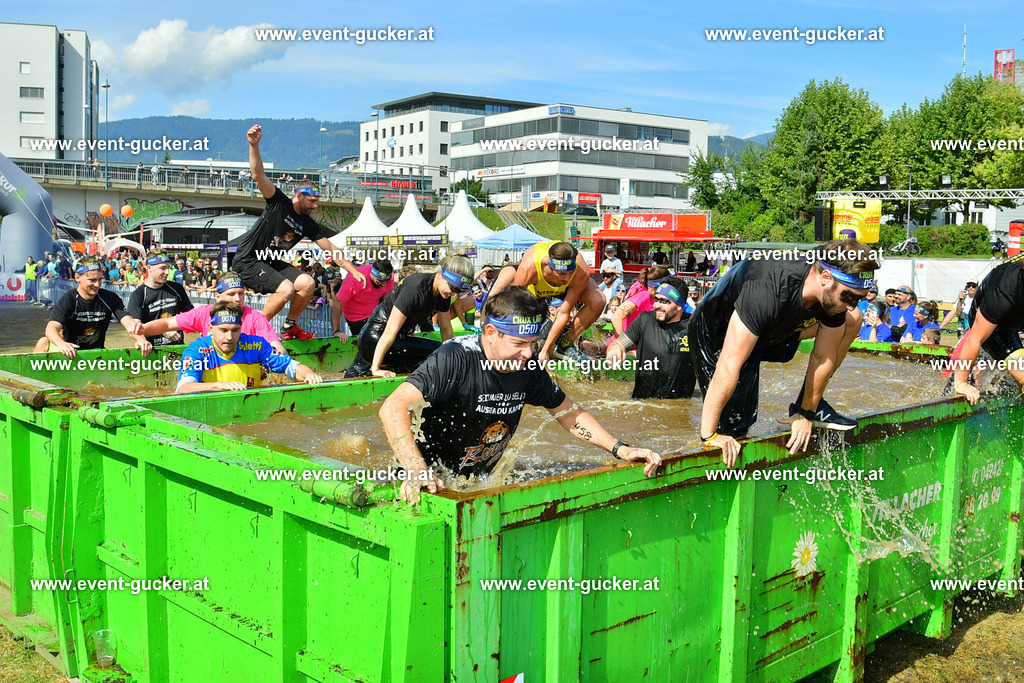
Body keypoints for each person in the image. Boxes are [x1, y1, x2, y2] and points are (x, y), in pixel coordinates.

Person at [378, 286, 662, 505]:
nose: (528, 353)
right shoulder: (455, 357)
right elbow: (392, 407)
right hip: (428, 481)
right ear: (491, 332)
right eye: (518, 343)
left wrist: (621, 449)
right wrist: (416, 468)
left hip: (480, 481)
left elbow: (570, 414)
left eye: (533, 343)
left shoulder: (527, 367)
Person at [690, 239, 878, 467]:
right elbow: (728, 365)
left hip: (775, 327)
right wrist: (709, 436)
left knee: (853, 319)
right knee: (734, 428)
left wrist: (806, 413)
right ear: (825, 277)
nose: (852, 304)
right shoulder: (766, 289)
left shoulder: (833, 286)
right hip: (717, 333)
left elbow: (822, 357)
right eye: (849, 297)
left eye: (859, 298)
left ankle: (810, 405)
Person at [231, 124, 364, 341]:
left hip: (270, 263)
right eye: (311, 201)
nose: (315, 206)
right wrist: (253, 145)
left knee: (307, 283)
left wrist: (353, 270)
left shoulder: (308, 224)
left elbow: (331, 248)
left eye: (317, 202)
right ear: (299, 195)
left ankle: (289, 327)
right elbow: (258, 174)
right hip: (248, 260)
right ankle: (251, 331)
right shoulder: (279, 203)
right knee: (286, 289)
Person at [344, 254, 473, 378]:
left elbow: (446, 329)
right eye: (454, 289)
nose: (455, 295)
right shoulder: (415, 288)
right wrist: (376, 368)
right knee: (437, 352)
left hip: (393, 340)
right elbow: (389, 330)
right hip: (375, 340)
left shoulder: (444, 293)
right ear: (443, 275)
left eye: (460, 292)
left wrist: (451, 360)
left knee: (445, 352)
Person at [489, 241, 606, 363]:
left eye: (570, 273)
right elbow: (514, 307)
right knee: (503, 297)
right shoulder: (528, 268)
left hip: (565, 289)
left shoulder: (581, 272)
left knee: (598, 300)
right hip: (534, 287)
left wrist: (546, 349)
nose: (566, 278)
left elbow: (564, 312)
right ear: (550, 267)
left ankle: (565, 346)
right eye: (561, 273)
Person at [176, 302, 322, 394]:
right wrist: (220, 386)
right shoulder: (196, 350)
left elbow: (290, 366)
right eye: (223, 330)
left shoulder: (257, 345)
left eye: (235, 330)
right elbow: (183, 388)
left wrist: (309, 375)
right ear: (211, 328)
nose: (229, 337)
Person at [142, 271, 286, 354]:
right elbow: (168, 324)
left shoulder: (255, 317)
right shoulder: (205, 313)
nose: (238, 299)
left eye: (241, 293)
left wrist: (268, 360)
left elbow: (278, 348)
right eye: (231, 294)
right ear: (218, 296)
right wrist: (140, 332)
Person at [33, 257, 145, 358]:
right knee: (43, 342)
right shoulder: (68, 299)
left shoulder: (109, 297)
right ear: (77, 277)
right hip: (71, 353)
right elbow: (51, 328)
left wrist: (141, 339)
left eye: (100, 279)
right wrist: (61, 343)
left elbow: (129, 322)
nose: (97, 284)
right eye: (92, 280)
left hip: (97, 354)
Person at [608, 277, 696, 399]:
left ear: (679, 305)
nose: (657, 305)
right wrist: (615, 349)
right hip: (643, 404)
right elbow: (620, 343)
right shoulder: (644, 320)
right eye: (656, 299)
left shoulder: (693, 326)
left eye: (664, 301)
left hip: (680, 405)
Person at [952, 260, 1024, 405]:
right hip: (994, 327)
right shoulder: (1005, 287)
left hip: (1014, 317)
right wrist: (961, 383)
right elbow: (974, 338)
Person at [127, 249, 194, 353]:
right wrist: (142, 339)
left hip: (178, 350)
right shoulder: (138, 295)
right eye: (162, 268)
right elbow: (134, 328)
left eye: (168, 268)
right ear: (149, 268)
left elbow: (192, 316)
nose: (167, 272)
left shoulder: (176, 288)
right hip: (152, 352)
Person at [331, 258, 395, 343]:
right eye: (379, 282)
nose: (383, 285)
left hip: (374, 311)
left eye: (386, 282)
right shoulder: (354, 280)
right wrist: (337, 331)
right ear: (371, 274)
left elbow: (387, 302)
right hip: (355, 317)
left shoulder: (388, 276)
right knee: (365, 343)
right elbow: (337, 305)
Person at [612, 265, 671, 338]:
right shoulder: (643, 295)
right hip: (626, 342)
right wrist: (622, 343)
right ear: (656, 287)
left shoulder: (650, 296)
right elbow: (616, 317)